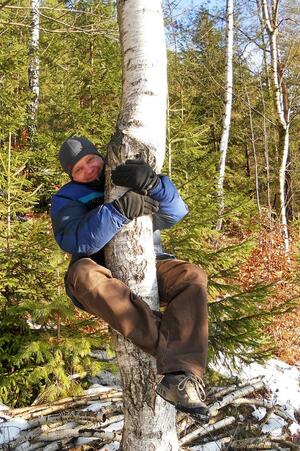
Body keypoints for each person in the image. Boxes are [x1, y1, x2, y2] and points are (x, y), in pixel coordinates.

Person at [51, 136, 209, 417]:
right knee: (81, 275)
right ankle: (176, 351)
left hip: (149, 260)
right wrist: (117, 211)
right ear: (71, 176)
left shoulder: (127, 173)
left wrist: (153, 184)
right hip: (100, 273)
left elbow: (174, 213)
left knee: (191, 275)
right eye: (78, 169)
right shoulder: (67, 197)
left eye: (90, 160)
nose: (88, 170)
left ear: (99, 154)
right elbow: (75, 240)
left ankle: (179, 378)